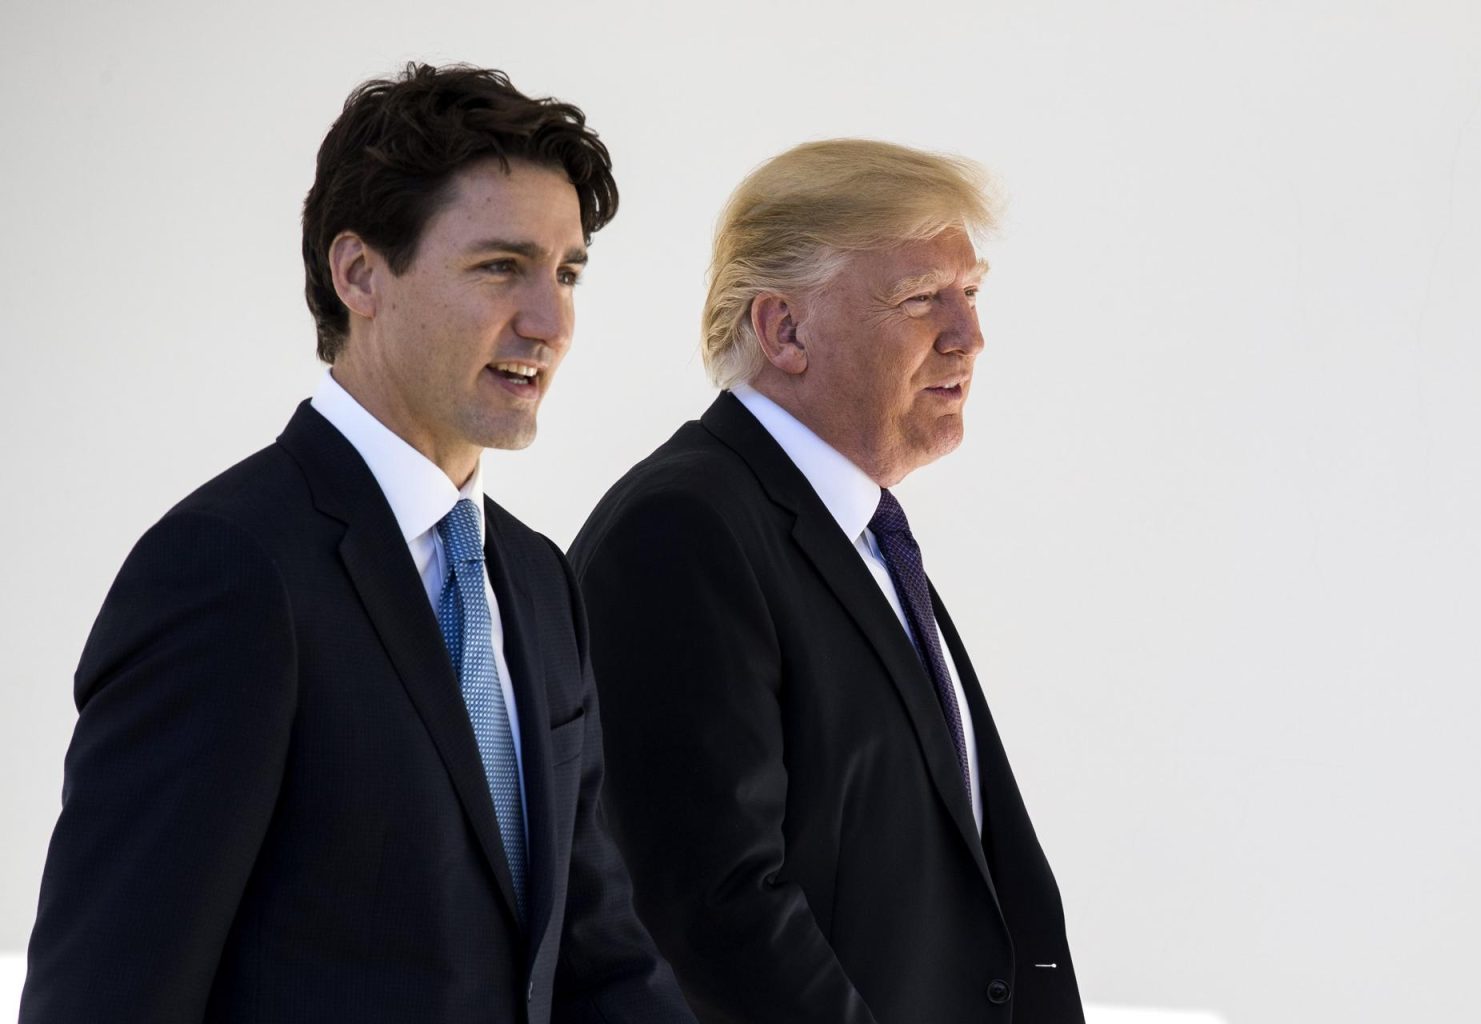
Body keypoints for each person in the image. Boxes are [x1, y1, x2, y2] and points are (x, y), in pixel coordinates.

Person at [21, 63, 694, 1024]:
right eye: (502, 266)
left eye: (568, 272)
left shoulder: (539, 581)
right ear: (359, 273)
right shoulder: (227, 573)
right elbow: (108, 992)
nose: (551, 323)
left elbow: (600, 957)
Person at [568, 139, 1085, 1024]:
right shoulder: (683, 530)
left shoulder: (861, 534)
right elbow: (713, 910)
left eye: (971, 291)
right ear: (785, 329)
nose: (969, 333)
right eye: (923, 297)